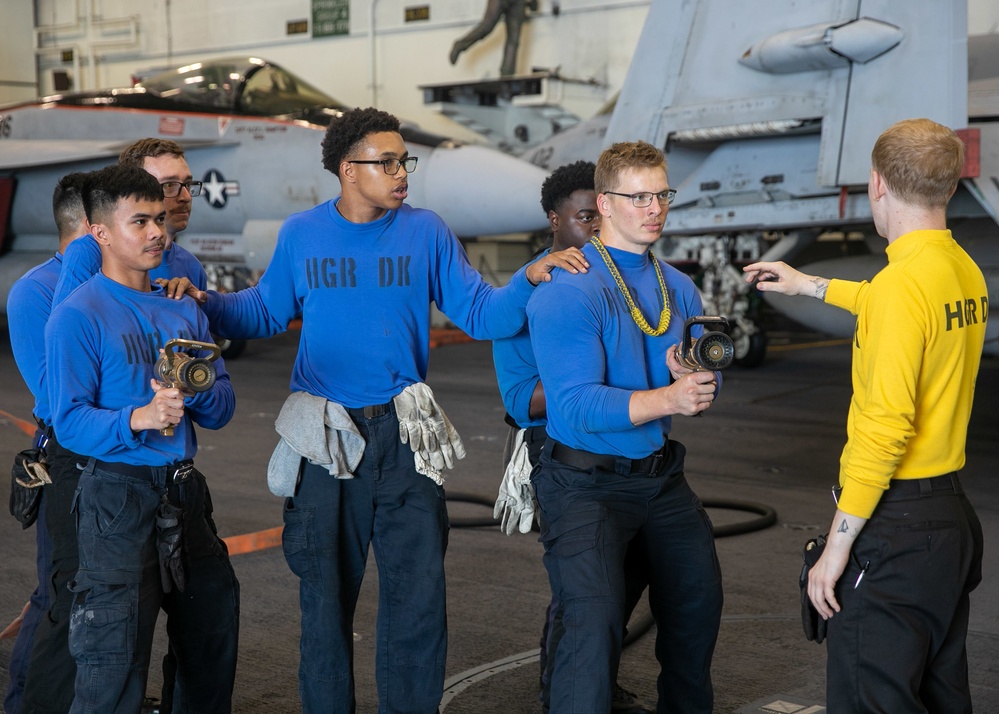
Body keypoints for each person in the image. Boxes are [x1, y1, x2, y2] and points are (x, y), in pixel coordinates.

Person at [190, 106, 586, 713]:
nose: (403, 173)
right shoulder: (302, 234)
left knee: (417, 606)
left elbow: (482, 313)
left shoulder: (426, 231)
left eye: (406, 161)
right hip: (327, 444)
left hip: (404, 441)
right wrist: (202, 301)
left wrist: (531, 276)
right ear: (349, 170)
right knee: (324, 607)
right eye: (389, 162)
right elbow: (262, 313)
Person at [743, 117, 988, 712]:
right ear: (950, 187)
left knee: (869, 698)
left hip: (897, 529)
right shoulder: (959, 269)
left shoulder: (902, 288)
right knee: (939, 694)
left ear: (877, 183)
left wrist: (835, 550)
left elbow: (884, 432)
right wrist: (812, 286)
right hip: (949, 525)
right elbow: (893, 303)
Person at [527, 141, 723, 713]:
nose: (653, 207)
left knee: (696, 605)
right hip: (585, 486)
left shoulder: (679, 288)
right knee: (591, 627)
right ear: (605, 202)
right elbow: (576, 407)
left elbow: (704, 384)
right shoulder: (569, 290)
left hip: (660, 480)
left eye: (661, 194)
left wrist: (696, 383)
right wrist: (668, 396)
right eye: (638, 196)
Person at [44, 164, 239, 714]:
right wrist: (139, 418)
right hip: (116, 500)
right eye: (140, 222)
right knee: (113, 664)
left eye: (160, 219)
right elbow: (70, 423)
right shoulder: (77, 315)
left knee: (211, 642)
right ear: (101, 233)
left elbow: (222, 408)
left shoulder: (182, 308)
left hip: (185, 494)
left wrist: (193, 393)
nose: (158, 232)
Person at [491, 160, 652, 714]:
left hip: (623, 449)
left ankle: (593, 681)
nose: (595, 230)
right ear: (554, 221)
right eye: (584, 218)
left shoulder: (619, 279)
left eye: (599, 216)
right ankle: (561, 690)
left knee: (626, 572)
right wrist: (581, 383)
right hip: (558, 453)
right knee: (582, 586)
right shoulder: (541, 288)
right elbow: (519, 399)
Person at [5, 172, 91, 714]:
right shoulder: (36, 291)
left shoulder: (121, 282)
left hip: (116, 460)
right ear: (89, 226)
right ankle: (24, 703)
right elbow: (56, 394)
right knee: (57, 594)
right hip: (66, 459)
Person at [52, 138, 208, 305]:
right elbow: (70, 323)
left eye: (188, 184)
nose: (186, 197)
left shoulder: (191, 267)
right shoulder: (89, 252)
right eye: (169, 185)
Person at [449, 0, 537, 76]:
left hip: (518, 2)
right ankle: (460, 45)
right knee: (486, 28)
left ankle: (507, 75)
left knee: (514, 39)